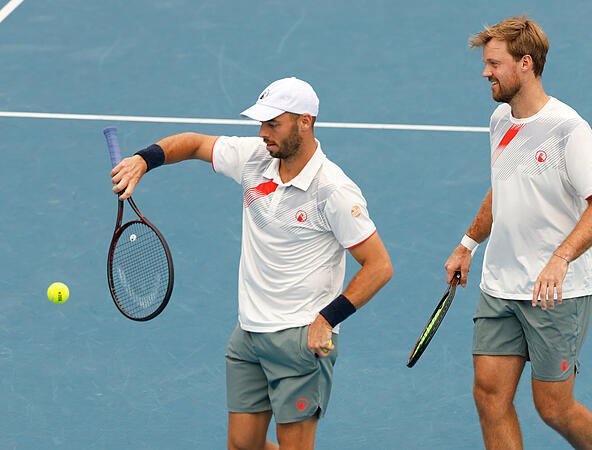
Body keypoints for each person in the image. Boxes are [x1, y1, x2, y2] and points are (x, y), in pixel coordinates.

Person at [110, 77, 393, 450]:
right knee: (243, 446)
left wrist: (327, 319)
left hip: (299, 338)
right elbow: (194, 144)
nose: (262, 133)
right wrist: (143, 160)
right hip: (249, 333)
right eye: (261, 123)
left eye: (273, 124)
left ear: (304, 122)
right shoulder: (256, 158)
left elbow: (378, 266)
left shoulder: (334, 191)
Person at [444, 16, 592, 450]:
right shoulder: (500, 119)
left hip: (555, 294)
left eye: (493, 63)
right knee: (488, 395)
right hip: (500, 284)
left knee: (553, 408)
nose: (485, 72)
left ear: (525, 63)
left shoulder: (568, 129)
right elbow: (502, 187)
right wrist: (468, 244)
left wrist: (560, 259)